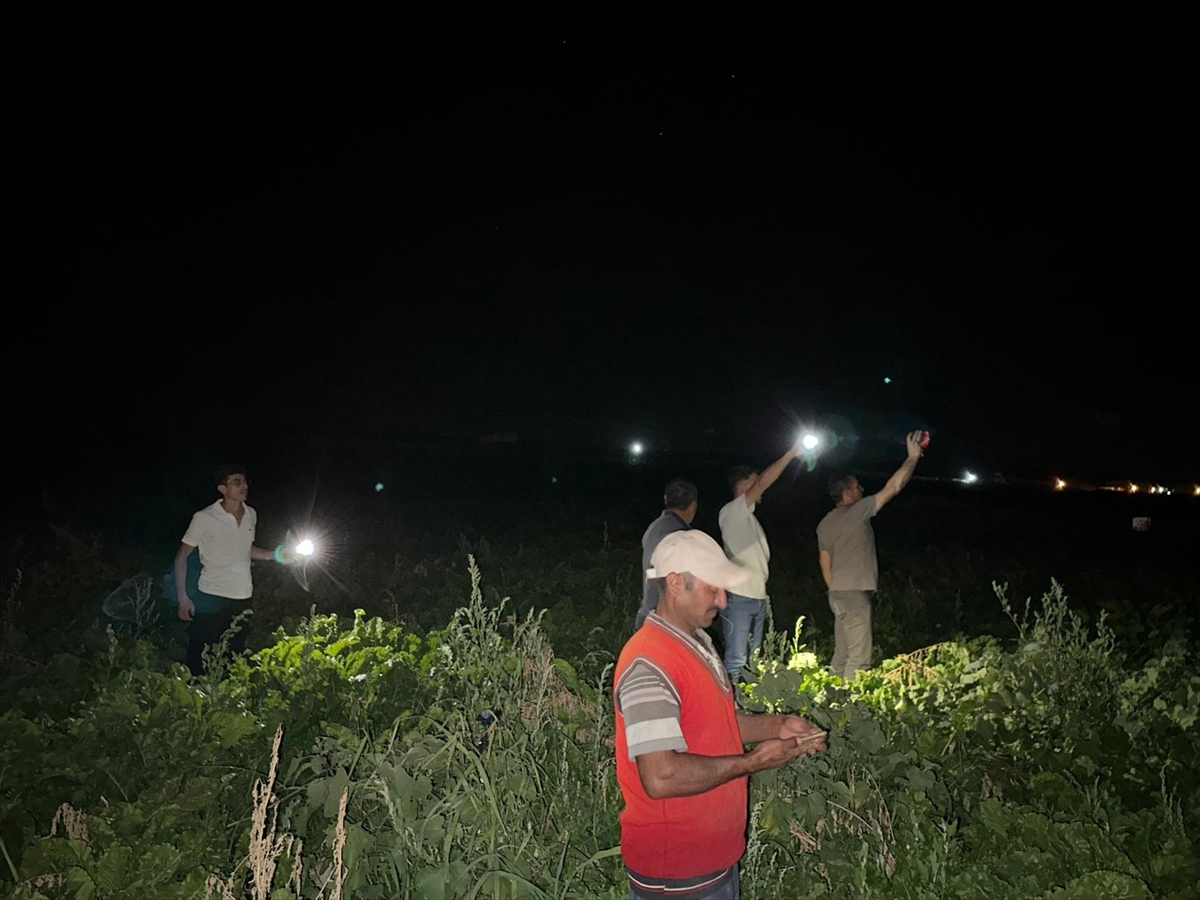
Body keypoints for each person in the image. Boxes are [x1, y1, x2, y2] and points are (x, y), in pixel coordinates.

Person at [615, 530, 827, 899]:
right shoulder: (650, 663)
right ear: (677, 583)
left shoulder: (696, 642)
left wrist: (777, 727)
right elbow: (662, 777)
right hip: (677, 869)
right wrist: (751, 763)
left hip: (714, 858)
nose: (724, 601)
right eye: (713, 589)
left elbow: (718, 723)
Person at [817, 431, 925, 680]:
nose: (862, 489)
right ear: (847, 495)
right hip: (854, 594)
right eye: (857, 487)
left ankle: (829, 702)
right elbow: (894, 486)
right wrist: (913, 458)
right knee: (859, 658)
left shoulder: (824, 523)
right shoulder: (858, 511)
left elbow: (825, 563)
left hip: (837, 594)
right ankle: (851, 710)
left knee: (841, 654)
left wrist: (836, 590)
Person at [174, 464, 283, 675]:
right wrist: (183, 597)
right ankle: (196, 698)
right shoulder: (204, 518)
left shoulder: (251, 514)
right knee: (201, 655)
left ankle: (227, 700)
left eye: (244, 482)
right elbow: (181, 558)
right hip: (211, 595)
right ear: (222, 489)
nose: (244, 486)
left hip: (243, 595)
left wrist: (276, 555)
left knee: (234, 653)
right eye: (236, 482)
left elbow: (244, 549)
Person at [717, 437, 804, 681]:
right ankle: (730, 711)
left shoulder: (750, 520)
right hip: (738, 598)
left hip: (757, 599)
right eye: (755, 484)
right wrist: (792, 453)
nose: (762, 489)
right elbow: (766, 480)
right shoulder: (732, 512)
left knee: (754, 662)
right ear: (744, 487)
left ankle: (749, 707)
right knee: (736, 660)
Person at [634, 478, 698, 631]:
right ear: (693, 504)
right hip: (667, 623)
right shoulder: (682, 536)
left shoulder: (654, 528)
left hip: (646, 615)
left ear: (666, 499)